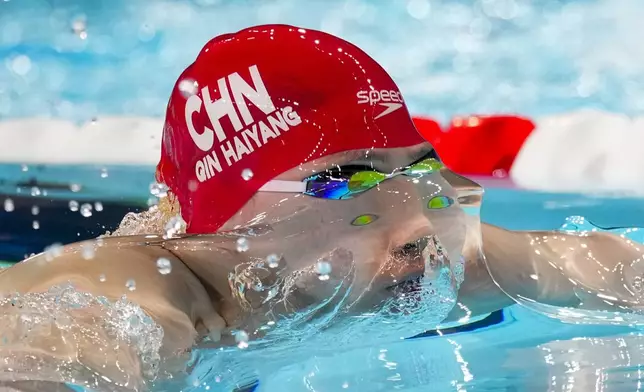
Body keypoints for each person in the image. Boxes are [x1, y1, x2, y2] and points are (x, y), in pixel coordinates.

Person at [0, 24, 642, 392]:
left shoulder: (430, 258)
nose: (415, 215)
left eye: (418, 167)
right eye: (345, 179)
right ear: (230, 219)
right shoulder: (121, 297)